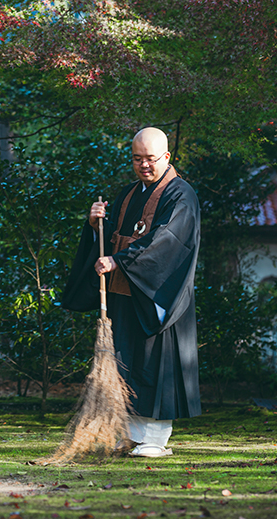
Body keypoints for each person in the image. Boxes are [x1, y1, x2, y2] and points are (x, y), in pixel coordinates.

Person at [62, 127, 201, 458]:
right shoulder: (127, 193)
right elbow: (110, 237)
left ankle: (155, 440)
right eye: (137, 159)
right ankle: (131, 436)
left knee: (155, 364)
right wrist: (95, 223)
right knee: (126, 365)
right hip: (124, 291)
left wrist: (120, 260)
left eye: (150, 159)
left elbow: (168, 241)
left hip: (156, 295)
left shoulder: (181, 195)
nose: (144, 166)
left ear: (166, 157)